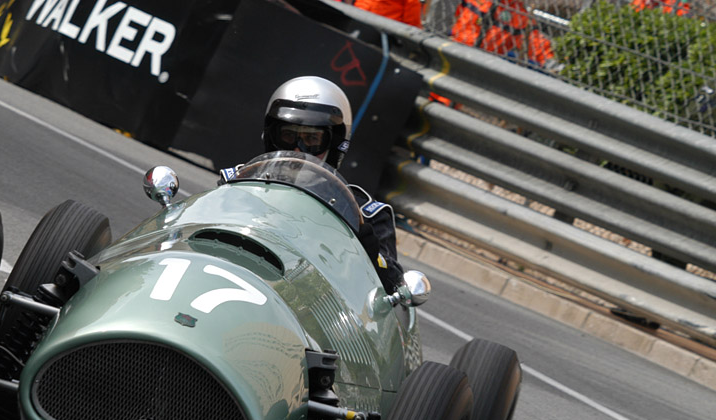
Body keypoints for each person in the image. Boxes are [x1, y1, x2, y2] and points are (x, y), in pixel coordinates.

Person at [222, 76, 405, 293]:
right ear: (272, 135)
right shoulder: (238, 182)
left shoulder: (367, 213)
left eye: (311, 139)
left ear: (336, 143)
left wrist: (365, 246)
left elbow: (394, 290)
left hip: (309, 302)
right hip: (238, 280)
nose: (298, 149)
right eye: (288, 136)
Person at [450, 0, 556, 69]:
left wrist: (550, 62)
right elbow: (452, 12)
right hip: (454, 48)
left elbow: (535, 42)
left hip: (482, 63)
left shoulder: (519, 15)